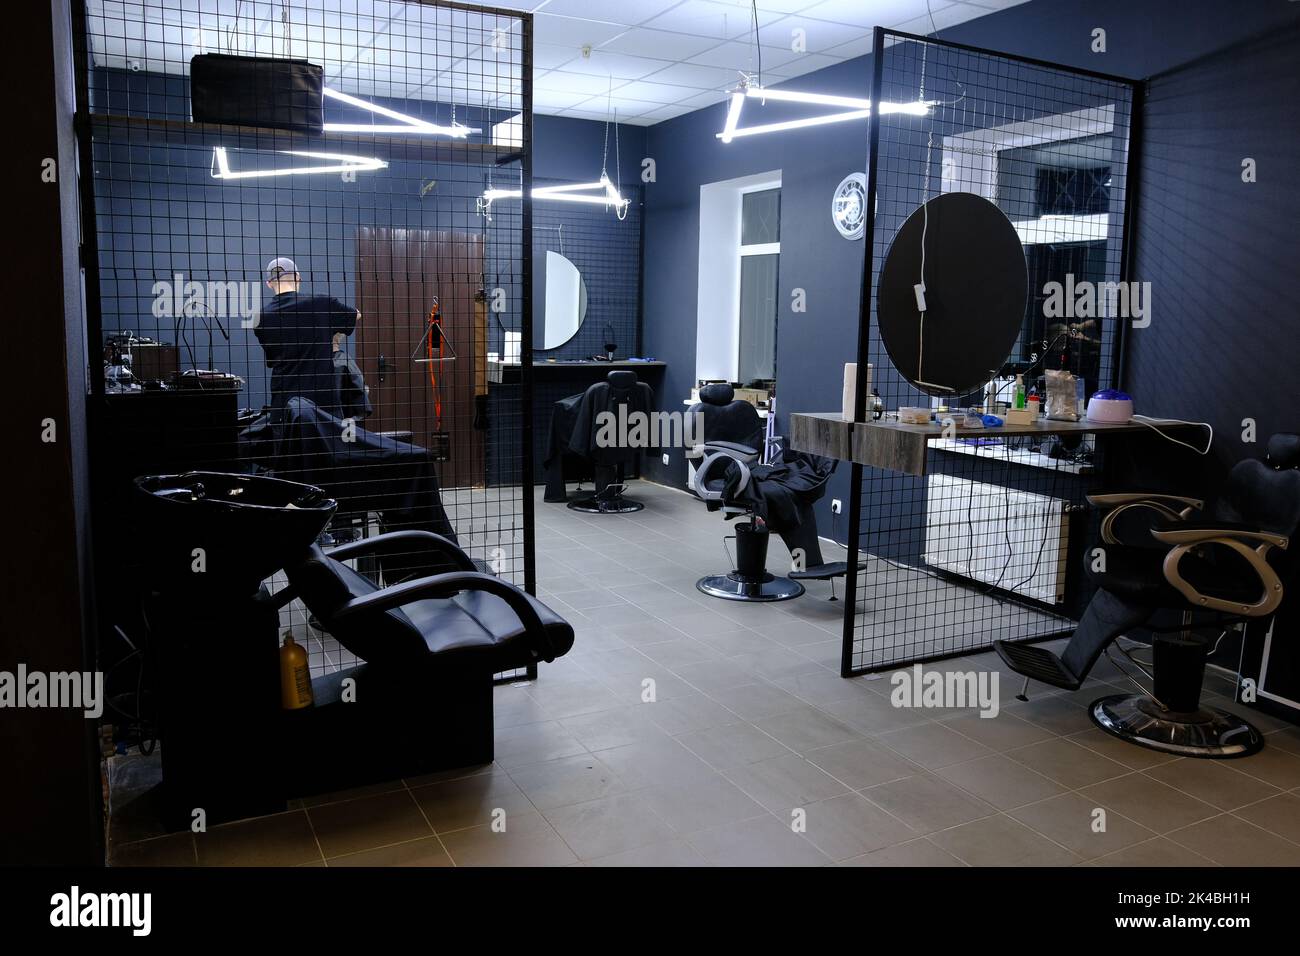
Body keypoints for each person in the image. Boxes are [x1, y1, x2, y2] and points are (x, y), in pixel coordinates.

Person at [253, 257, 361, 417]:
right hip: (322, 405)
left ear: (269, 283)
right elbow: (356, 315)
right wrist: (330, 334)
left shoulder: (259, 318)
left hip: (285, 405)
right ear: (297, 277)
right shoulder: (323, 303)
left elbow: (273, 358)